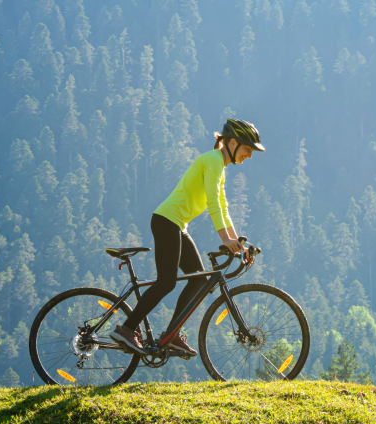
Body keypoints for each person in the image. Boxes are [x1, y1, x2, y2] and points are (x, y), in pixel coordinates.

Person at [110, 118, 265, 357]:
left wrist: (238, 245)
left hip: (176, 225)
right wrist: (226, 240)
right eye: (248, 149)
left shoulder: (218, 165)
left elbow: (223, 208)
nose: (250, 155)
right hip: (166, 222)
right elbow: (213, 203)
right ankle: (127, 329)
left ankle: (171, 335)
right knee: (166, 282)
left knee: (198, 280)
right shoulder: (213, 160)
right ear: (232, 142)